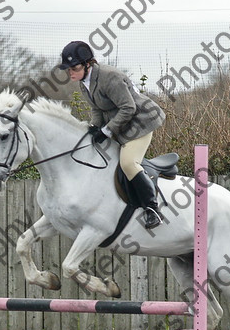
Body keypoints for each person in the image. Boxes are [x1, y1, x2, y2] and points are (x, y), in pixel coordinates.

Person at [58, 40, 165, 229]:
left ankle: (152, 209)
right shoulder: (84, 82)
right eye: (68, 69)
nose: (70, 73)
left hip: (140, 123)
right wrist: (94, 127)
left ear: (87, 63)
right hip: (122, 125)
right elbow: (97, 109)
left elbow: (128, 108)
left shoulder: (110, 77)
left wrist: (106, 131)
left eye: (73, 67)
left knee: (128, 163)